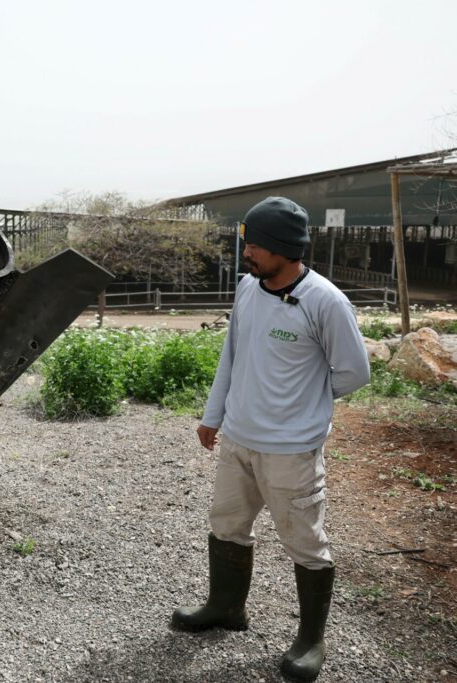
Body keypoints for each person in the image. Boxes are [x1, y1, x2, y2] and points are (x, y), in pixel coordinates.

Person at [171, 196, 370, 682]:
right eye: (248, 243)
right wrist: (213, 415)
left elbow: (354, 372)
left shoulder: (325, 301)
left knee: (305, 540)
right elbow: (232, 354)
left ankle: (310, 640)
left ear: (285, 249)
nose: (249, 253)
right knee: (226, 522)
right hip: (238, 437)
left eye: (257, 246)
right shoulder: (248, 288)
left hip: (291, 451)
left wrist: (302, 408)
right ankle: (225, 607)